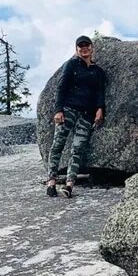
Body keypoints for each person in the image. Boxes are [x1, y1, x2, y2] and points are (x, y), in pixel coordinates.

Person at [46, 35, 106, 197]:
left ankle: (69, 184)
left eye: (87, 45)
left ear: (92, 48)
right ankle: (51, 181)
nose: (84, 48)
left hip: (87, 115)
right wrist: (58, 110)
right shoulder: (71, 65)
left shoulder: (98, 71)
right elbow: (61, 87)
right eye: (81, 46)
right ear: (76, 49)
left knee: (78, 149)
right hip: (69, 110)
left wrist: (100, 109)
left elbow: (100, 92)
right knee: (58, 144)